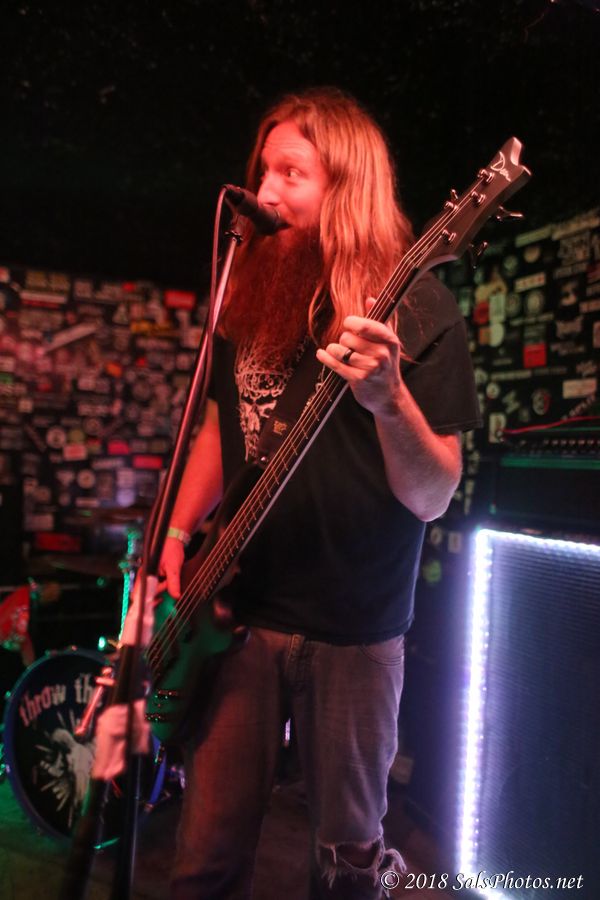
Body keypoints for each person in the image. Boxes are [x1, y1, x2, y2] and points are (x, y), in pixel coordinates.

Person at [160, 87, 481, 900]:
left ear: (348, 184)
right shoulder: (255, 287)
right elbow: (222, 423)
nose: (265, 190)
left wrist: (390, 400)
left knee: (345, 866)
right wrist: (176, 532)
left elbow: (434, 494)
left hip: (355, 628)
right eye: (263, 169)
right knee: (203, 861)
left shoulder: (419, 307)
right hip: (238, 610)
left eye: (291, 172)